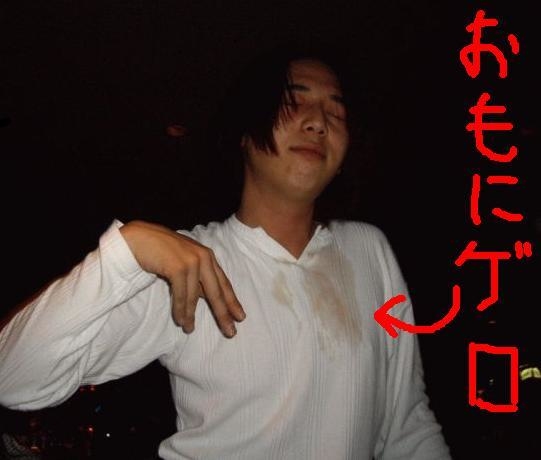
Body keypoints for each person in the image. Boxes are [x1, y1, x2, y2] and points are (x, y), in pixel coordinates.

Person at [0, 43, 452, 459]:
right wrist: (126, 250)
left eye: (337, 111)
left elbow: (407, 425)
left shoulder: (370, 250)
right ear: (245, 132)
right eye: (294, 101)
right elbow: (13, 379)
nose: (319, 122)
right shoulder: (187, 263)